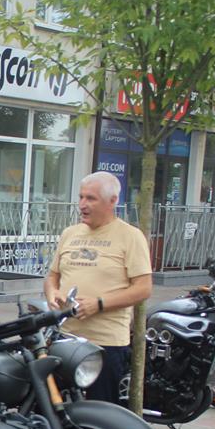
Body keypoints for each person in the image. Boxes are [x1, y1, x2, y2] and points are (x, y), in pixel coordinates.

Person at [43, 171, 151, 404]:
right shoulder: (70, 233)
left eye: (91, 198)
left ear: (113, 201)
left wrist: (99, 304)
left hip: (105, 344)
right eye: (81, 197)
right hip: (66, 338)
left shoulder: (131, 236)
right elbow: (52, 277)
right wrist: (53, 293)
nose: (83, 204)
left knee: (99, 412)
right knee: (53, 407)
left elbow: (143, 289)